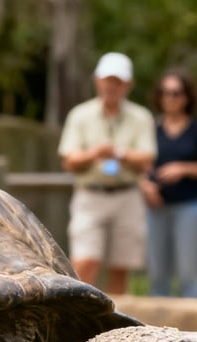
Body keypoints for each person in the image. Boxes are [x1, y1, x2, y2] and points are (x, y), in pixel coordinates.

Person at [58, 52, 157, 294]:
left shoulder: (141, 117)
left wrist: (119, 154)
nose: (111, 86)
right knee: (84, 261)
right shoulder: (80, 115)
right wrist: (96, 154)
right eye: (107, 80)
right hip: (90, 196)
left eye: (118, 81)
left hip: (127, 196)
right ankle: (80, 316)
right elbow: (69, 160)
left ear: (128, 85)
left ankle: (116, 327)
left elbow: (147, 158)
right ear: (97, 81)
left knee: (121, 266)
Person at [140, 69, 197, 298]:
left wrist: (183, 168)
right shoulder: (150, 128)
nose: (170, 98)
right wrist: (145, 186)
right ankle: (156, 332)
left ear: (187, 96)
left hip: (189, 206)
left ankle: (196, 332)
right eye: (165, 92)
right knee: (157, 275)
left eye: (176, 93)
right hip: (156, 207)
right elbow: (141, 162)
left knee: (188, 274)